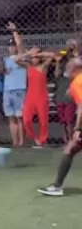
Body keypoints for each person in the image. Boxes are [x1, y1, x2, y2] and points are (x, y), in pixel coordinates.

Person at [38, 58, 82, 197]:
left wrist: (77, 129)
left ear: (75, 69)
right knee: (70, 149)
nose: (66, 71)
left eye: (68, 68)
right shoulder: (77, 82)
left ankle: (57, 186)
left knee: (70, 149)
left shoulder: (77, 82)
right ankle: (57, 186)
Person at [3, 23, 27, 147]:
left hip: (19, 89)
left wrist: (14, 31)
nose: (12, 48)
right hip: (7, 90)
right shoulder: (5, 60)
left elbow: (20, 44)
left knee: (19, 117)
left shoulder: (21, 57)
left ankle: (22, 141)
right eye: (10, 46)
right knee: (11, 117)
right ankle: (15, 141)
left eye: (13, 46)